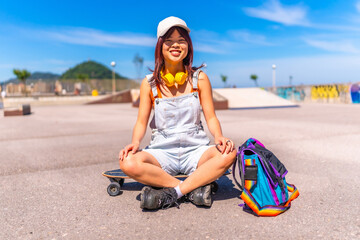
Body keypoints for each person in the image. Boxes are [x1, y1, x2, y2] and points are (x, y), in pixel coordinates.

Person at [119, 16, 236, 210]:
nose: (176, 45)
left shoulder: (200, 79)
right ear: (160, 45)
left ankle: (173, 193)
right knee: (128, 163)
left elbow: (211, 117)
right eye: (169, 41)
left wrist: (219, 136)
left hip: (196, 150)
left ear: (188, 46)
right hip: (162, 151)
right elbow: (141, 121)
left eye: (181, 41)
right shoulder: (149, 83)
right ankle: (189, 190)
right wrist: (135, 143)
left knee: (229, 153)